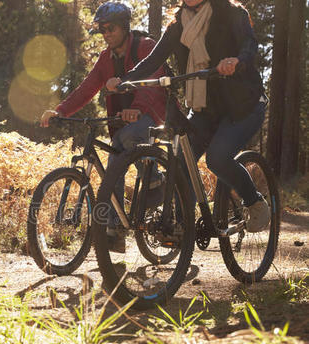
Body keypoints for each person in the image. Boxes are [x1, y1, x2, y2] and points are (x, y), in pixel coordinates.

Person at [107, 0, 270, 233]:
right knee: (182, 162)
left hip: (243, 105)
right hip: (205, 109)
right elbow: (153, 60)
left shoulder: (231, 13)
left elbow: (249, 44)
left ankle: (254, 202)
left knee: (217, 158)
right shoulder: (178, 24)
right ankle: (184, 227)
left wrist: (237, 61)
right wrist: (126, 80)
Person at [40, 2, 168, 253]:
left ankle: (155, 182)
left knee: (126, 139)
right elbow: (86, 89)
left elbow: (153, 81)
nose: (106, 33)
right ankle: (114, 230)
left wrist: (138, 108)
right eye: (102, 30)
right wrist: (61, 111)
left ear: (124, 26)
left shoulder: (144, 46)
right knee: (113, 164)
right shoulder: (105, 58)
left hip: (152, 115)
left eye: (110, 28)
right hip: (123, 120)